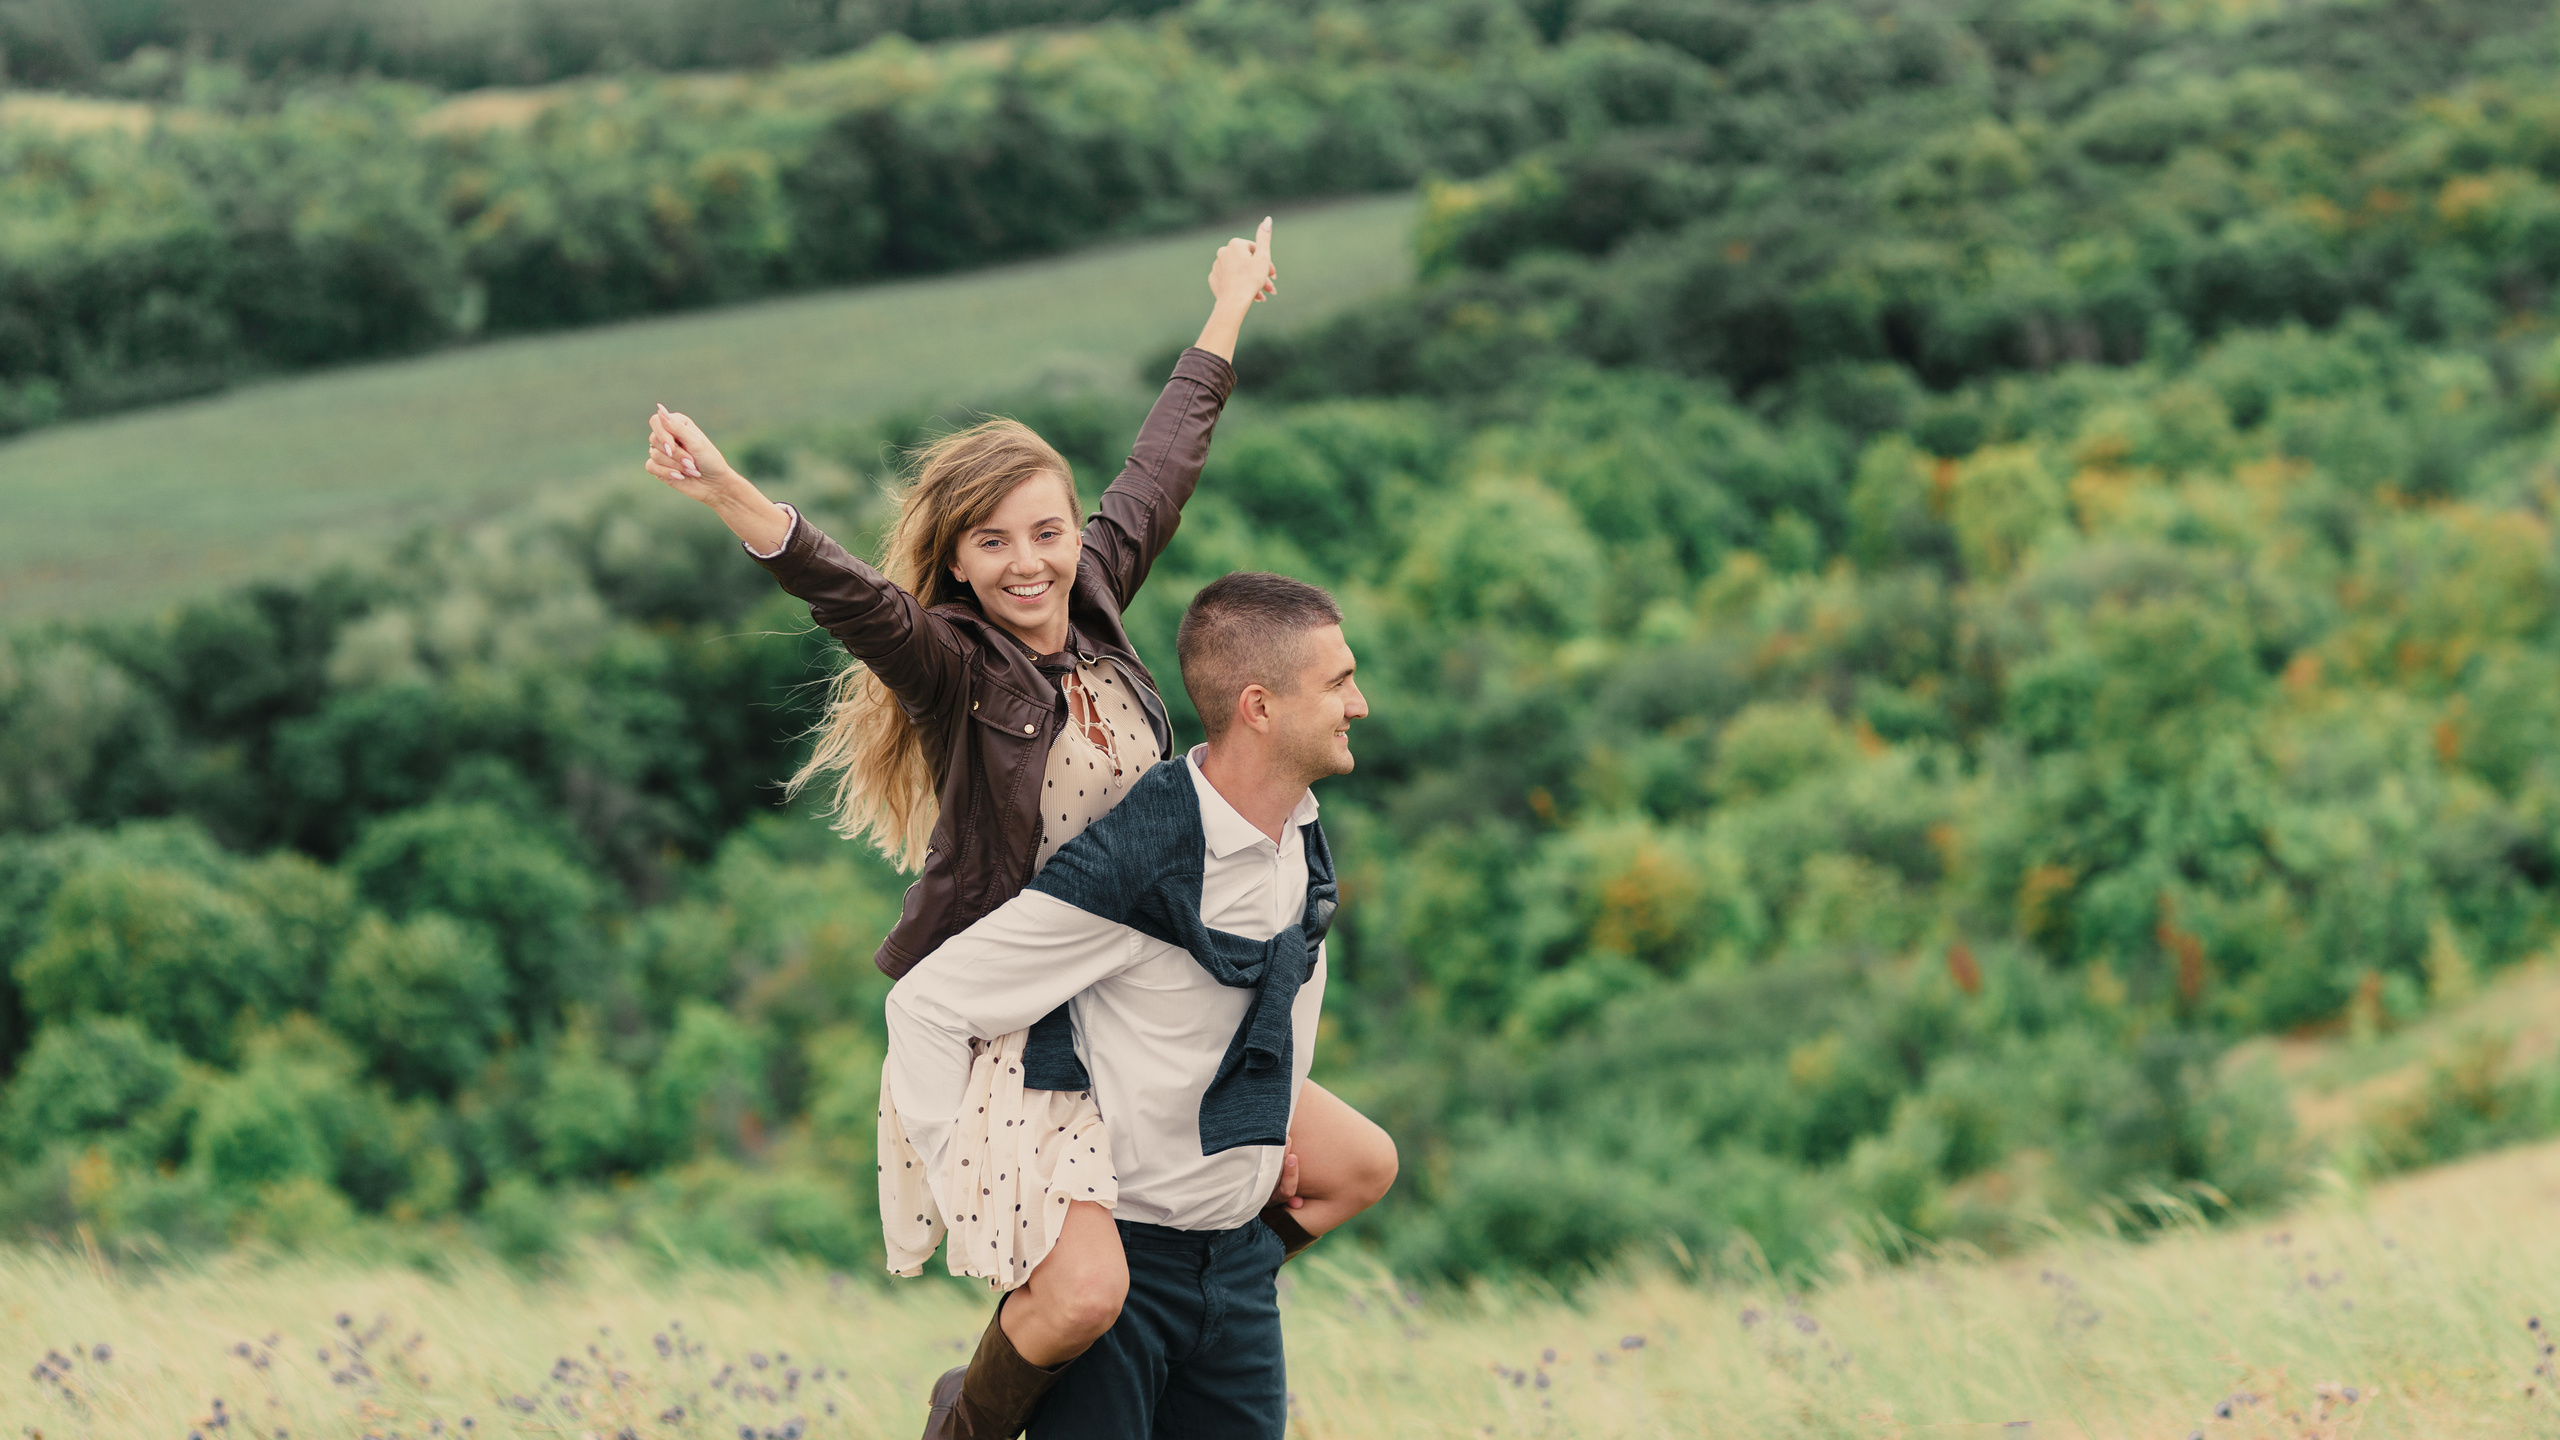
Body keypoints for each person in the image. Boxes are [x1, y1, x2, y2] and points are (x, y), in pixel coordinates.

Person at [642, 224, 1396, 1440]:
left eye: (1045, 531)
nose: (1028, 563)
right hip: (1023, 1001)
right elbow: (848, 596)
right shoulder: (952, 665)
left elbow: (1162, 464)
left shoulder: (1096, 601)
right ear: (957, 560)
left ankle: (1203, 1291)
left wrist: (1227, 306)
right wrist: (731, 493)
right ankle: (976, 1415)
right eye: (990, 543)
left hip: (1138, 974)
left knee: (1356, 1163)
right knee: (1083, 1291)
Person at [888, 572, 1370, 1439]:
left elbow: (1281, 998)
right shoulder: (1138, 858)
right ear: (1259, 707)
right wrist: (971, 1190)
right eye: (1339, 682)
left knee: (1365, 1163)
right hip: (1127, 1263)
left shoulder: (1298, 830)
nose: (1359, 704)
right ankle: (966, 1412)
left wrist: (1269, 1128)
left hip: (1234, 1270)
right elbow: (928, 1005)